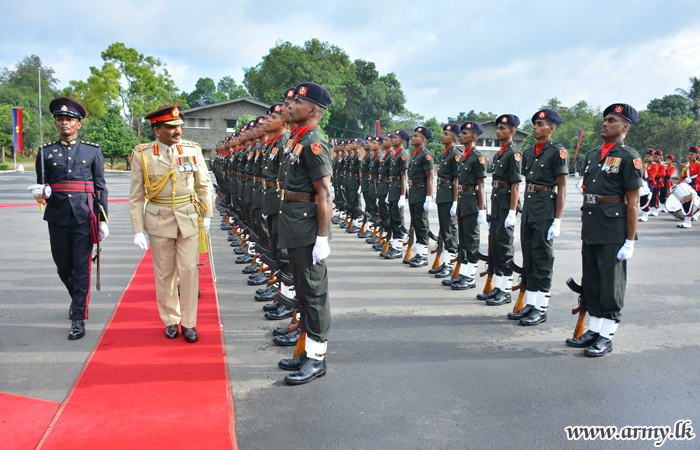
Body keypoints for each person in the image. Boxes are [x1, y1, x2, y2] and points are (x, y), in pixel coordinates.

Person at [129, 105, 213, 343]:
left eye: (179, 126)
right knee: (165, 274)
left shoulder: (191, 149)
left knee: (188, 271)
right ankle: (171, 320)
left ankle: (189, 323)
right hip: (158, 218)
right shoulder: (143, 154)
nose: (178, 131)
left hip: (188, 217)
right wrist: (137, 230)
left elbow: (203, 185)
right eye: (171, 127)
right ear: (157, 130)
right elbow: (136, 196)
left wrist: (207, 216)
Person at [565, 103, 642, 357]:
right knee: (593, 280)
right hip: (592, 224)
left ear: (625, 127)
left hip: (613, 228)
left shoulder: (629, 156)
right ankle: (594, 330)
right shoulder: (593, 154)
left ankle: (606, 336)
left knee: (611, 283)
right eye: (605, 120)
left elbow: (633, 202)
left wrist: (630, 240)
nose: (605, 123)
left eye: (611, 120)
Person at [33, 96, 109, 340]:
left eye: (69, 119)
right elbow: (41, 185)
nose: (64, 123)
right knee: (62, 265)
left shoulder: (92, 151)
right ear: (55, 123)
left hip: (84, 215)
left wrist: (103, 218)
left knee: (81, 266)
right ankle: (76, 296)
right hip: (56, 215)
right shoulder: (45, 152)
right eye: (60, 119)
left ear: (78, 124)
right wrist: (41, 193)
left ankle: (78, 317)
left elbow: (100, 187)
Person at [276, 82, 333, 385]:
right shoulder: (298, 139)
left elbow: (324, 193)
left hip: (309, 229)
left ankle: (317, 358)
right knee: (302, 291)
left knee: (314, 295)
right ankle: (306, 349)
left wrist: (322, 239)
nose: (291, 106)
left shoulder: (313, 142)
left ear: (312, 110)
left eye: (298, 102)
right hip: (295, 225)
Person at [507, 109, 568, 326]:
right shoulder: (529, 151)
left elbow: (561, 188)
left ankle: (541, 308)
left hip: (546, 208)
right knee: (530, 258)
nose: (535, 126)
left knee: (542, 259)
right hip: (531, 208)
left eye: (540, 123)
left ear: (551, 128)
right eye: (534, 123)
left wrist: (557, 219)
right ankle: (530, 304)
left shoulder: (557, 152)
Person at [478, 115, 522, 306]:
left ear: (512, 131)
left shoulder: (514, 153)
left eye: (502, 128)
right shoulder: (499, 153)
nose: (498, 131)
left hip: (506, 206)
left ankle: (505, 290)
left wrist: (512, 211)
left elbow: (515, 185)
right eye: (497, 128)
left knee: (505, 248)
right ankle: (498, 286)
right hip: (497, 204)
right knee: (495, 247)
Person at [447, 121, 487, 290]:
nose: (460, 136)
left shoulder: (478, 157)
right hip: (464, 200)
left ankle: (470, 277)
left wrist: (482, 210)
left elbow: (481, 185)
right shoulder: (464, 156)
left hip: (471, 201)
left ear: (472, 137)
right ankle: (463, 273)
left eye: (464, 133)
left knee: (471, 241)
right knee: (463, 240)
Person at [433, 124, 463, 277]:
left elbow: (457, 180)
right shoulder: (445, 153)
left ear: (453, 137)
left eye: (445, 134)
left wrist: (455, 202)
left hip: (450, 196)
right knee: (445, 230)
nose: (442, 136)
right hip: (443, 195)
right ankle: (446, 262)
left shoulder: (455, 154)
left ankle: (450, 264)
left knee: (450, 230)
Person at [406, 126, 435, 267]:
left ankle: (423, 256)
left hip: (422, 191)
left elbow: (430, 178)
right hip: (414, 191)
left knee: (422, 224)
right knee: (416, 223)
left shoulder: (425, 154)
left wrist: (429, 197)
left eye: (416, 136)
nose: (413, 137)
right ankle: (419, 253)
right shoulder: (416, 154)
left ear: (423, 139)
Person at [383, 129, 410, 259]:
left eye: (396, 138)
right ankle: (394, 246)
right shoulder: (395, 155)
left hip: (399, 188)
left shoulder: (402, 155)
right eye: (393, 137)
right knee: (393, 219)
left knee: (398, 219)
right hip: (392, 188)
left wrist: (403, 196)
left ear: (402, 141)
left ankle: (398, 249)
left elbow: (404, 176)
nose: (393, 139)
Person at [677, 146, 700, 228]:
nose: (689, 156)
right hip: (686, 187)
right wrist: (681, 183)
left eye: (692, 154)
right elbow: (683, 176)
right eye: (689, 154)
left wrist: (692, 181)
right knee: (685, 203)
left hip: (694, 186)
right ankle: (686, 220)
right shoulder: (686, 165)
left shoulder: (698, 165)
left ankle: (688, 222)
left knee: (691, 204)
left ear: (696, 155)